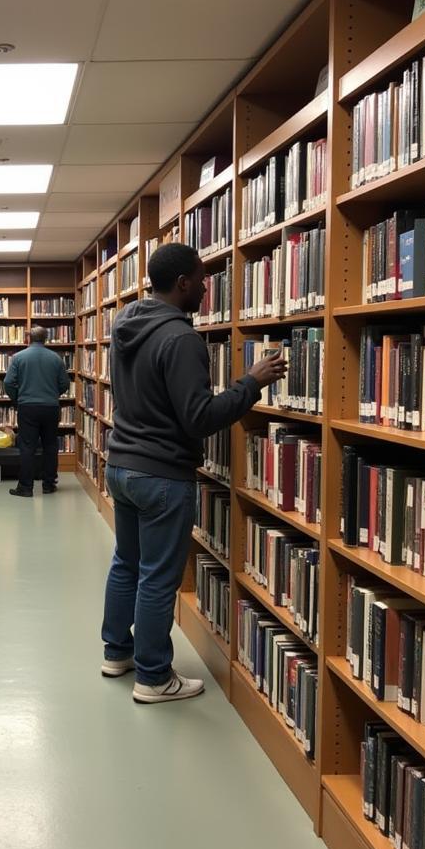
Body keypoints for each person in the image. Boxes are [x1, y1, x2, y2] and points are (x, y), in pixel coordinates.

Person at [101, 243, 287, 704]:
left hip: (122, 464)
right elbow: (199, 417)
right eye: (202, 279)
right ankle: (153, 676)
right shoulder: (181, 339)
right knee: (158, 576)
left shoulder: (125, 324)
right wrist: (251, 382)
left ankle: (117, 652)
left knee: (126, 564)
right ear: (183, 283)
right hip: (162, 474)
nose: (207, 287)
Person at [3, 325, 70, 497]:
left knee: (27, 446)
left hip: (27, 406)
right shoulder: (56, 358)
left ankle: (25, 487)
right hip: (51, 407)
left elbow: (8, 383)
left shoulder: (18, 357)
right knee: (50, 445)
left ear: (28, 339)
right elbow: (65, 384)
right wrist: (53, 394)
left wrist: (17, 398)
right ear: (46, 339)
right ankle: (48, 484)